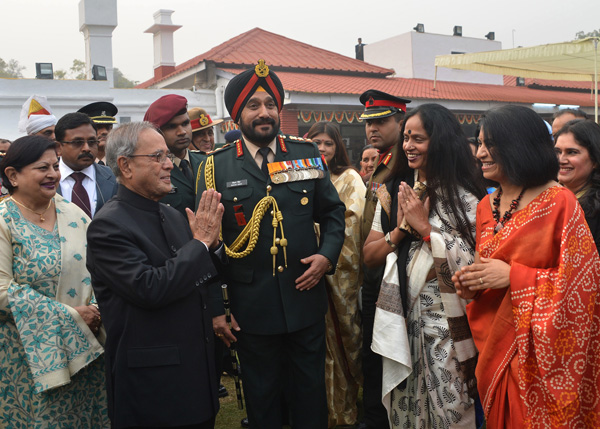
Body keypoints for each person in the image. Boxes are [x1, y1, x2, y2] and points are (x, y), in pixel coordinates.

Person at [197, 60, 345, 429]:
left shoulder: (305, 153)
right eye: (253, 105)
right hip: (251, 310)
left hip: (304, 299)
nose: (264, 113)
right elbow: (206, 246)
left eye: (270, 104)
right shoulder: (215, 168)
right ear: (237, 115)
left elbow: (332, 214)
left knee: (310, 397)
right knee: (263, 401)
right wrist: (218, 309)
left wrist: (327, 256)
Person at [453, 105, 600, 428]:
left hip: (539, 359)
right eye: (479, 143)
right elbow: (487, 273)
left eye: (489, 144)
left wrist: (514, 277)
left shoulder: (560, 202)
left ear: (517, 145)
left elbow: (584, 287)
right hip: (494, 345)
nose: (479, 153)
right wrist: (472, 286)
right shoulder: (485, 206)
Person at [86, 121, 226, 429]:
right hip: (154, 389)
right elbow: (150, 288)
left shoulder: (171, 214)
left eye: (167, 156)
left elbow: (196, 276)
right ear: (125, 166)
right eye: (158, 156)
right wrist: (200, 243)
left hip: (196, 377)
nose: (168, 165)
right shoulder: (108, 226)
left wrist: (212, 248)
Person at [364, 103, 485, 428]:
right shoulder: (395, 190)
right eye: (406, 137)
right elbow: (369, 255)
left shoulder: (468, 196)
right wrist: (404, 229)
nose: (408, 146)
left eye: (418, 138)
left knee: (453, 409)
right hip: (402, 319)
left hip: (449, 326)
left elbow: (476, 269)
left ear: (441, 141)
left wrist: (427, 230)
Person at [0, 135, 108, 427]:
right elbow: (2, 291)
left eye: (54, 166)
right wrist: (71, 316)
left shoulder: (72, 213)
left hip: (87, 349)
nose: (53, 174)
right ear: (12, 175)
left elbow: (101, 269)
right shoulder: (3, 220)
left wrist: (96, 309)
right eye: (41, 168)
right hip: (28, 355)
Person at [307, 121, 365, 428]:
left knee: (344, 344)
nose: (322, 149)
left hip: (337, 275)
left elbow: (350, 228)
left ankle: (345, 412)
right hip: (307, 274)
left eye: (328, 143)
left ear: (337, 146)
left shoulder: (350, 178)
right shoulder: (305, 178)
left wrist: (318, 242)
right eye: (316, 142)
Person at [358, 89, 410, 429]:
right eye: (368, 123)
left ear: (400, 121)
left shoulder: (403, 165)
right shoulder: (379, 161)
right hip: (372, 272)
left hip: (390, 277)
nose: (372, 129)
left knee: (382, 358)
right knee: (371, 357)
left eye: (381, 121)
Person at [144, 94, 204, 216]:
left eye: (185, 123)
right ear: (156, 133)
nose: (182, 132)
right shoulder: (150, 171)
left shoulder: (207, 161)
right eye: (172, 127)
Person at [55, 112, 118, 218]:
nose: (86, 148)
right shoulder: (45, 180)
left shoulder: (114, 178)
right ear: (58, 148)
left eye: (92, 141)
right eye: (78, 142)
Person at [554, 119, 600, 247]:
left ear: (595, 160)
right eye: (557, 152)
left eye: (572, 152)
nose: (561, 160)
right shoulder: (543, 197)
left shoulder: (595, 212)